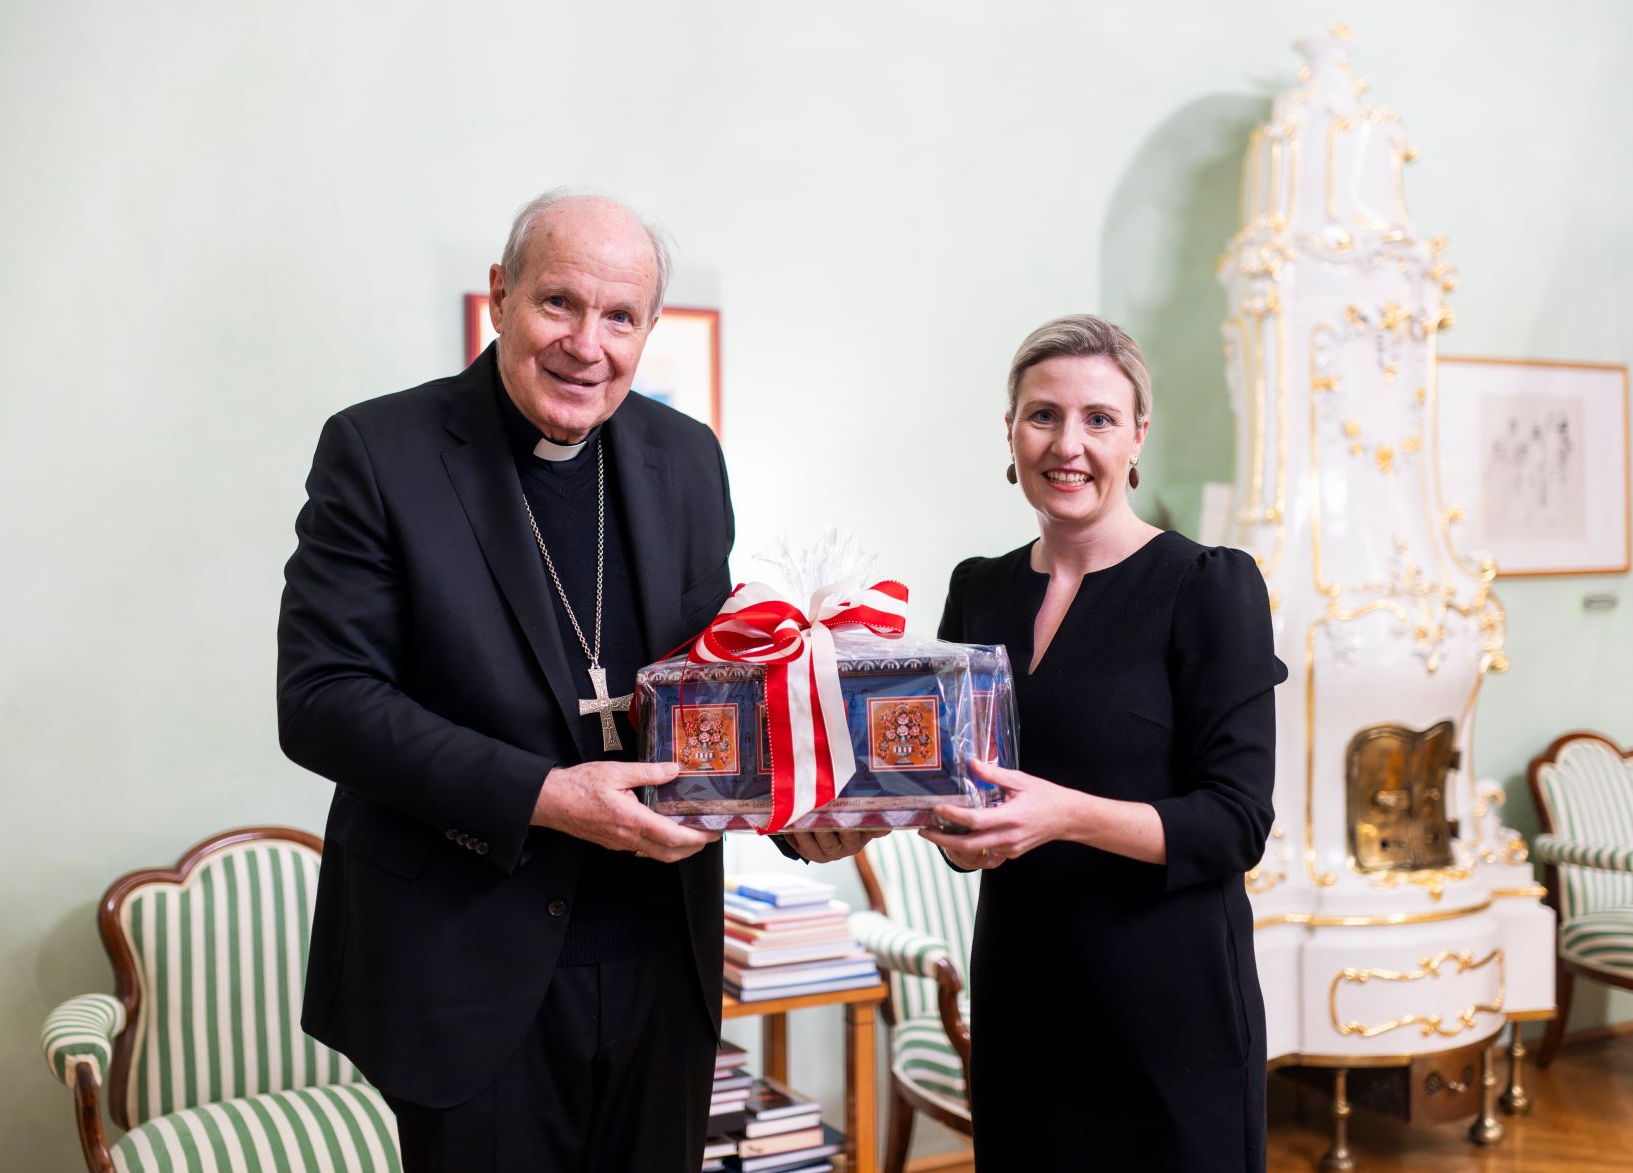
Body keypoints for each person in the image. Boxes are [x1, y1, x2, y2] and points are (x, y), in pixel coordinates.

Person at [278, 189, 869, 1172]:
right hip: (469, 960)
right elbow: (324, 700)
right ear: (501, 295)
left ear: (647, 330)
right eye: (559, 303)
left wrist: (796, 807)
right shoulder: (381, 451)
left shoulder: (686, 457)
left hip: (661, 957)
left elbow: (711, 689)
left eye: (620, 317)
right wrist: (547, 795)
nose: (586, 345)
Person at [918, 314, 1284, 1172]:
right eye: (1043, 415)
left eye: (1099, 418)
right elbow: (963, 795)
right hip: (1020, 996)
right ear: (1011, 431)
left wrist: (1064, 815)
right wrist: (950, 833)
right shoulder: (977, 590)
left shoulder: (1210, 586)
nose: (1067, 444)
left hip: (1170, 1013)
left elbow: (1236, 823)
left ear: (1137, 436)